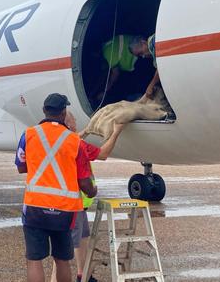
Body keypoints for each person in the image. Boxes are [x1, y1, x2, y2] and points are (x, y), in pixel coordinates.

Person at [50, 112, 126, 282]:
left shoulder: (61, 140)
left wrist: (85, 131)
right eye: (74, 119)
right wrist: (116, 132)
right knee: (64, 250)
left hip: (75, 203)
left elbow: (74, 140)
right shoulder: (77, 144)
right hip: (72, 204)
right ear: (68, 124)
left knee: (82, 239)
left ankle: (82, 275)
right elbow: (103, 154)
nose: (76, 121)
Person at [128, 34, 160, 100]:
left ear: (143, 42)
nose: (143, 56)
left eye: (141, 53)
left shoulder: (153, 43)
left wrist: (151, 85)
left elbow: (161, 68)